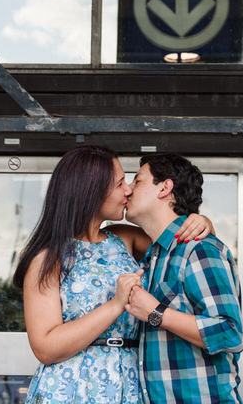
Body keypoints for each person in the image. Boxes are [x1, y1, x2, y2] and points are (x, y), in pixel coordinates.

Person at [13, 145, 213, 404]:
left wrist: (204, 223)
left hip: (131, 382)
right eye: (120, 183)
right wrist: (117, 304)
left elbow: (181, 246)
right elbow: (46, 348)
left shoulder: (123, 238)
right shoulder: (48, 258)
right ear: (91, 191)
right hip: (71, 387)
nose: (128, 189)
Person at [124, 152, 243, 404]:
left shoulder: (198, 249)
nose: (128, 190)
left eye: (137, 181)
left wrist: (155, 313)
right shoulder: (154, 256)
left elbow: (230, 333)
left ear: (165, 188)